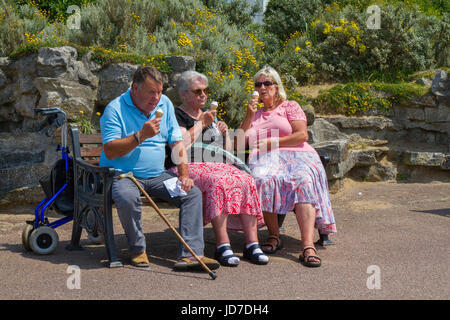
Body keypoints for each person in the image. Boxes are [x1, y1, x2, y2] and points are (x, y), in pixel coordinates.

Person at [99, 66, 219, 271]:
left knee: (192, 194)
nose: (156, 98)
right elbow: (110, 151)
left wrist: (184, 174)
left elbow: (176, 143)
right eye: (151, 92)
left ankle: (191, 254)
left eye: (159, 92)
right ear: (135, 88)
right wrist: (140, 136)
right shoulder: (115, 108)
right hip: (124, 175)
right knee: (127, 197)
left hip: (157, 175)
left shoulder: (165, 104)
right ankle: (137, 250)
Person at [237, 65, 336, 267]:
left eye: (267, 83)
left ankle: (307, 245)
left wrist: (273, 143)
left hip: (297, 155)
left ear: (276, 86)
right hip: (265, 159)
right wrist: (248, 116)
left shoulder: (289, 106)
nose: (262, 87)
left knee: (302, 180)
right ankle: (274, 236)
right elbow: (239, 143)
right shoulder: (253, 113)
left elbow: (302, 135)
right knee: (261, 179)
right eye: (258, 84)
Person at [166, 70, 268, 266]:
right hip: (186, 167)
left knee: (246, 178)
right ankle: (223, 245)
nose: (203, 95)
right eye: (197, 91)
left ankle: (252, 243)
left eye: (205, 91)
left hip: (216, 164)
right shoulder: (176, 115)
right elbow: (180, 146)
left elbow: (228, 153)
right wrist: (201, 124)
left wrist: (223, 134)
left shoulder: (210, 116)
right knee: (218, 181)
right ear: (184, 94)